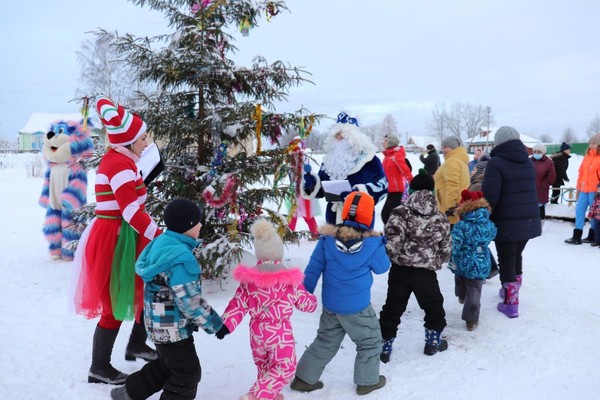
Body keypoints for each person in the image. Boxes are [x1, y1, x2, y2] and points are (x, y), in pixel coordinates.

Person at [73, 96, 162, 385]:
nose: (147, 143)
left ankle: (136, 344)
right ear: (129, 141)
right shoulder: (121, 165)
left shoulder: (122, 160)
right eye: (143, 138)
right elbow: (131, 210)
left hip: (122, 235)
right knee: (115, 302)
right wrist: (159, 237)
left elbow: (128, 199)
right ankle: (99, 367)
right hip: (116, 240)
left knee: (144, 288)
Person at [110, 199, 223, 400]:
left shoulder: (161, 243)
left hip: (156, 323)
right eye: (198, 222)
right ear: (188, 226)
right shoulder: (181, 258)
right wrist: (215, 324)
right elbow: (190, 302)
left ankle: (129, 392)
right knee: (187, 374)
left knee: (168, 365)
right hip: (174, 330)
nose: (201, 225)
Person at [291, 192, 390, 396]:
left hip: (331, 306)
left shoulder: (327, 240)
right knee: (370, 342)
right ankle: (368, 381)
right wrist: (383, 245)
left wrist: (304, 293)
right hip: (358, 308)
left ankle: (303, 379)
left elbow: (313, 268)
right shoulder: (372, 244)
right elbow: (382, 268)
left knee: (325, 341)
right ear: (369, 217)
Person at [216, 218, 318, 400]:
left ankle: (269, 395)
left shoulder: (249, 282)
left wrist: (225, 325)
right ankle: (256, 397)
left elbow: (237, 305)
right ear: (279, 254)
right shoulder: (290, 281)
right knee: (284, 368)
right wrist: (313, 301)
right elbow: (306, 304)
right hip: (279, 332)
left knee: (265, 368)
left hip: (257, 332)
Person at [379, 169, 451, 363]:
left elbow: (392, 241)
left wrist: (393, 257)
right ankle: (432, 342)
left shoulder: (399, 212)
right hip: (425, 273)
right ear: (432, 191)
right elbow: (446, 248)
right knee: (433, 306)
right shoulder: (440, 217)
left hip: (400, 271)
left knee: (393, 307)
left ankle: (384, 345)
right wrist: (436, 260)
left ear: (410, 191)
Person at [482, 126, 541, 318]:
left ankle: (511, 303)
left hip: (506, 221)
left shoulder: (495, 163)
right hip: (529, 220)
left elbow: (490, 195)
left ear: (498, 142)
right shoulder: (527, 162)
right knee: (516, 255)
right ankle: (513, 288)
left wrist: (483, 215)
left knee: (506, 259)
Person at [302, 112, 388, 225]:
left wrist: (358, 194)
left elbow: (383, 186)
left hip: (359, 219)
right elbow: (322, 188)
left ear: (354, 137)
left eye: (342, 134)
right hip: (333, 221)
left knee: (359, 243)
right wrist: (312, 185)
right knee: (330, 243)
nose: (338, 138)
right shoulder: (329, 160)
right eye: (336, 135)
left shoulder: (369, 159)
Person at [449, 190, 497, 331]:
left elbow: (456, 243)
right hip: (481, 261)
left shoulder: (461, 225)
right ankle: (471, 320)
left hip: (462, 260)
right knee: (475, 289)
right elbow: (493, 234)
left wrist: (453, 255)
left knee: (460, 277)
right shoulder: (489, 224)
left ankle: (461, 295)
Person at [565, 134, 600, 245]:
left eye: (594, 143)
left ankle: (593, 236)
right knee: (579, 211)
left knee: (593, 213)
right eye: (590, 143)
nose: (591, 145)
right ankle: (577, 236)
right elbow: (581, 174)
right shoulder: (586, 157)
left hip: (595, 191)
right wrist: (578, 188)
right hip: (584, 190)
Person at [434, 136, 470, 225]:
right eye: (442, 147)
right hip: (458, 204)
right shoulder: (459, 160)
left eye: (445, 147)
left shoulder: (452, 161)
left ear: (452, 148)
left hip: (450, 208)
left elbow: (452, 184)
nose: (442, 149)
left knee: (450, 235)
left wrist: (451, 207)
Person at [381, 133, 413, 224]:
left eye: (385, 141)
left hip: (396, 190)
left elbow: (406, 172)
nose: (383, 143)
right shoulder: (387, 157)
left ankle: (395, 233)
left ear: (391, 142)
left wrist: (414, 184)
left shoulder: (396, 156)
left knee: (388, 215)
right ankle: (391, 234)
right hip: (389, 189)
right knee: (386, 215)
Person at [531, 143, 556, 221]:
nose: (536, 153)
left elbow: (552, 175)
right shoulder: (529, 161)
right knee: (530, 207)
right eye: (535, 151)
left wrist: (544, 184)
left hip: (542, 189)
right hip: (530, 189)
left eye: (539, 152)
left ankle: (540, 225)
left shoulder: (548, 162)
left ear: (543, 152)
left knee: (540, 207)